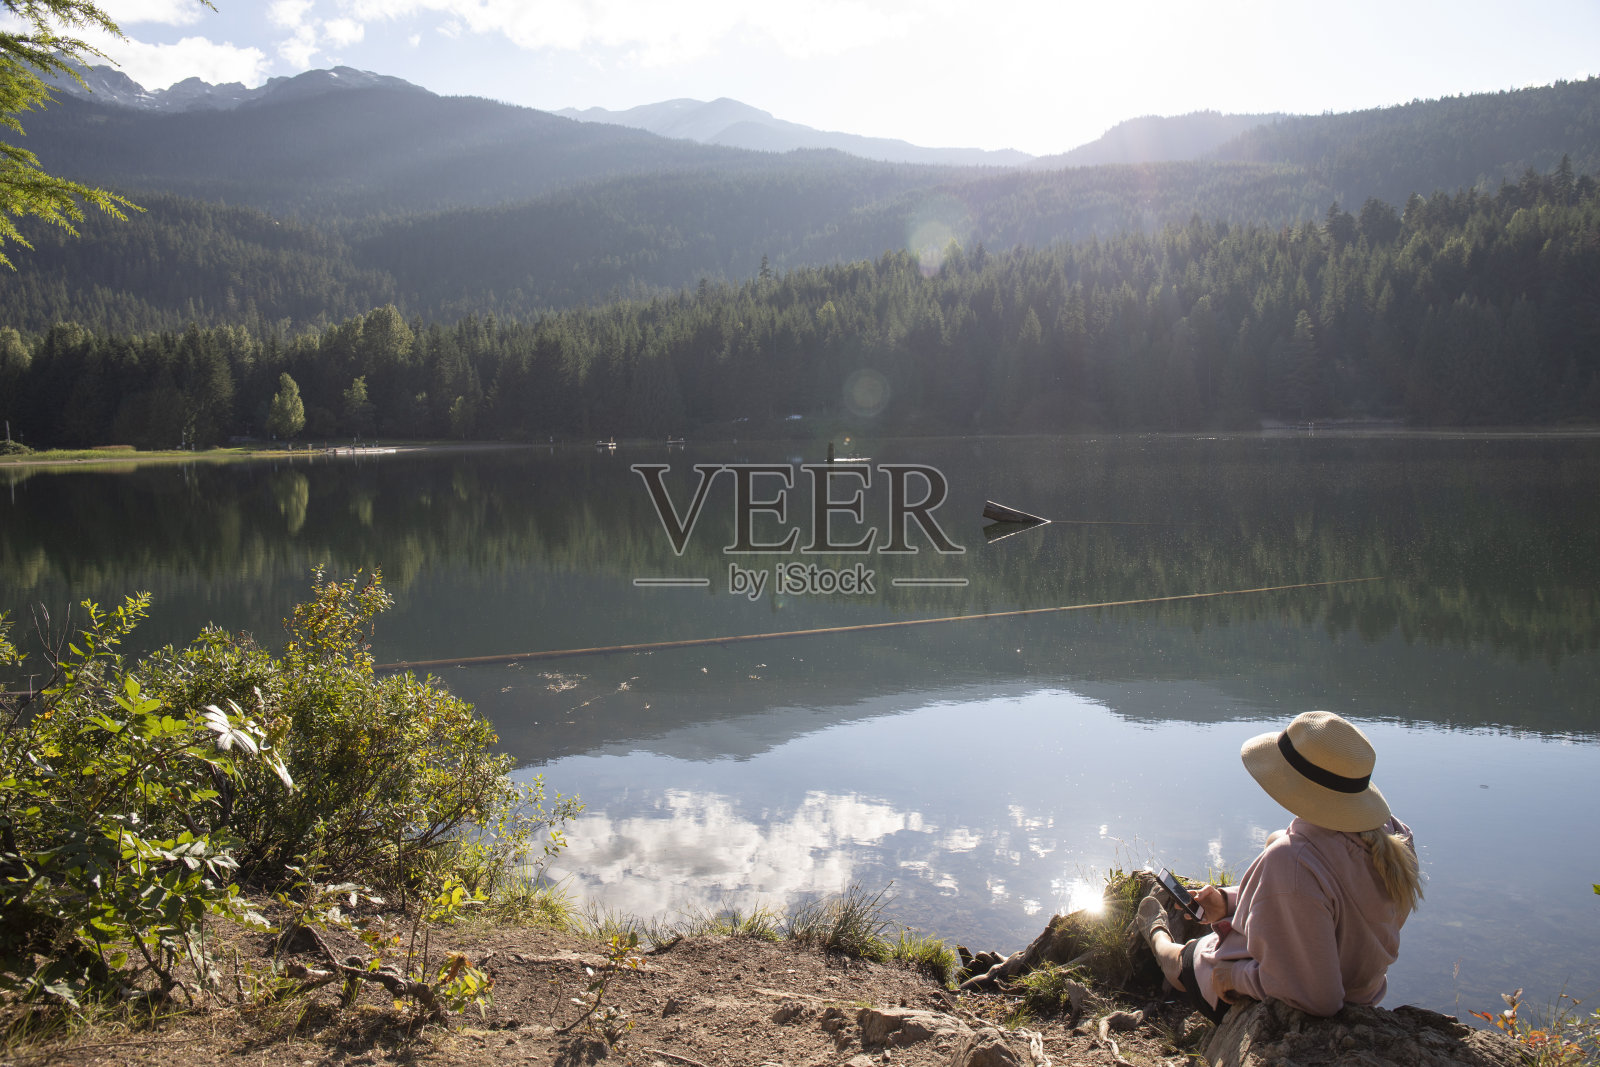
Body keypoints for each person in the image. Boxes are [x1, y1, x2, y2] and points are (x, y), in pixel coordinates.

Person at [1135, 710, 1423, 1020]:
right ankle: (1223, 915)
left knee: (1183, 960)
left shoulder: (1293, 862)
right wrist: (1228, 901)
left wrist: (1236, 978)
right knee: (1275, 839)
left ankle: (1157, 935)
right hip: (1361, 987)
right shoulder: (1395, 835)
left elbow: (1319, 998)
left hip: (1299, 979)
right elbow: (1336, 904)